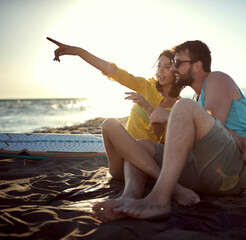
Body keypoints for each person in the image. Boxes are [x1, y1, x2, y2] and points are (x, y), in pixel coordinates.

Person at [93, 40, 246, 220]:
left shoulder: (217, 79)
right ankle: (130, 196)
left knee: (182, 108)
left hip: (234, 167)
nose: (173, 68)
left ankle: (159, 200)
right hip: (204, 171)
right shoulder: (194, 99)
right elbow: (187, 142)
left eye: (177, 63)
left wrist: (170, 116)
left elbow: (214, 120)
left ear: (197, 66)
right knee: (140, 147)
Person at [47, 37, 200, 209]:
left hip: (146, 164)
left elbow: (162, 140)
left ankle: (130, 200)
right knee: (109, 124)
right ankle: (175, 188)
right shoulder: (145, 86)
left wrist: (148, 107)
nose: (160, 71)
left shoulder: (179, 106)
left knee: (139, 156)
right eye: (159, 66)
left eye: (167, 66)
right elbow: (112, 70)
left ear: (176, 70)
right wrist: (79, 52)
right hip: (121, 164)